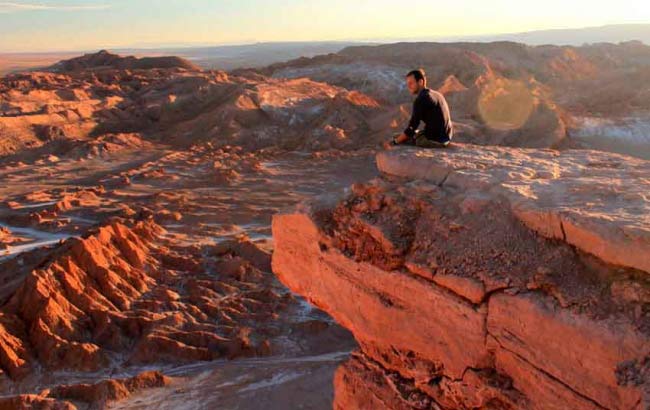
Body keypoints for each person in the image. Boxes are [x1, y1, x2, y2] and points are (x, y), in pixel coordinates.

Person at [388, 69, 453, 148]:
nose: (408, 86)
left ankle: (439, 145)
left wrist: (395, 142)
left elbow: (411, 128)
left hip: (436, 139)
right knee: (400, 136)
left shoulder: (421, 99)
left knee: (402, 138)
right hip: (447, 136)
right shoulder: (437, 94)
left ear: (420, 82)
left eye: (411, 83)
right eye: (408, 84)